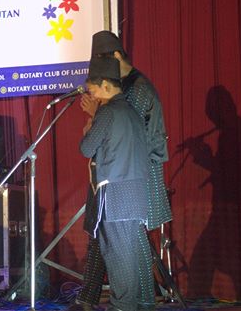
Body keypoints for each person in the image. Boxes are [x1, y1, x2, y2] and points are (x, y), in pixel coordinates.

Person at [76, 31, 171, 309]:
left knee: (129, 245)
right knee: (109, 238)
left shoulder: (137, 89)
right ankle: (92, 299)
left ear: (115, 57)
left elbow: (126, 134)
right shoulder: (123, 90)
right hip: (119, 174)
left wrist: (96, 116)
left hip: (134, 174)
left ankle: (138, 303)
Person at [79, 56, 150, 311]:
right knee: (128, 254)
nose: (92, 96)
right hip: (137, 192)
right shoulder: (132, 112)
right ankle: (130, 305)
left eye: (93, 90)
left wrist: (90, 124)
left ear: (106, 85)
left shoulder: (107, 112)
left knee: (117, 255)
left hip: (116, 192)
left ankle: (122, 306)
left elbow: (87, 148)